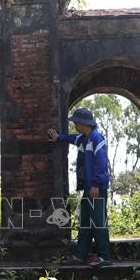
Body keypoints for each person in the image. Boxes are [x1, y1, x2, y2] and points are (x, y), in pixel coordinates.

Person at [47, 107, 112, 267]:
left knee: (98, 222)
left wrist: (96, 184)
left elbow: (102, 164)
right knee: (85, 222)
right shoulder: (84, 138)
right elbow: (71, 138)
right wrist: (58, 138)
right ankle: (80, 255)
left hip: (96, 188)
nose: (75, 126)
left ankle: (105, 257)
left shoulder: (97, 139)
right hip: (88, 189)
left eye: (76, 123)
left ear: (83, 124)